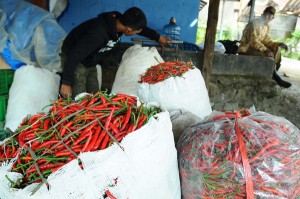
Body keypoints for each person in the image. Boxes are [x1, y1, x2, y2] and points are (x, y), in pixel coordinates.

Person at [59, 7, 171, 99]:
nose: (138, 32)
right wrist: (66, 83)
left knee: (95, 97)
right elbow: (74, 55)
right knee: (78, 99)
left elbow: (141, 30)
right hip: (75, 59)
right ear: (128, 30)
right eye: (136, 31)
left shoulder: (119, 23)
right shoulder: (98, 34)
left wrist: (158, 37)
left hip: (90, 59)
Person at [238, 6, 291, 88]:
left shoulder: (266, 27)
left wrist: (279, 44)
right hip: (246, 48)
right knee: (267, 56)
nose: (268, 17)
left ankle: (274, 72)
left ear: (272, 18)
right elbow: (253, 41)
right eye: (267, 14)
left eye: (270, 16)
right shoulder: (254, 23)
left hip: (256, 47)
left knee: (277, 50)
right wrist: (265, 50)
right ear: (263, 14)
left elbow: (267, 41)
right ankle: (276, 78)